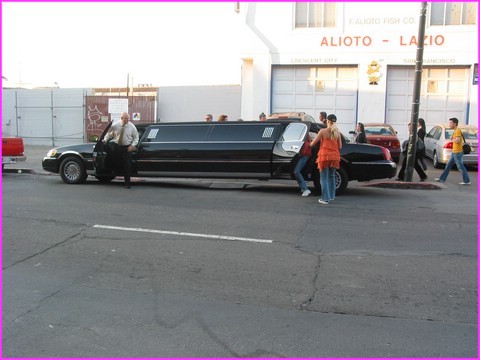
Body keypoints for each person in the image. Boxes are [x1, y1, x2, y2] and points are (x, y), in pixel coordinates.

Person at [310, 114, 342, 205]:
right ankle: (332, 196)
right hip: (335, 156)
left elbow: (313, 144)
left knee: (324, 177)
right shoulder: (337, 133)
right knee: (332, 176)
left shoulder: (322, 131)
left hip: (324, 156)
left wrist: (309, 142)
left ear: (327, 121)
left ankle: (325, 199)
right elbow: (340, 146)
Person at [104, 112, 139, 189]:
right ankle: (110, 176)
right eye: (126, 118)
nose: (127, 120)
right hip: (117, 147)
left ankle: (127, 183)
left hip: (127, 148)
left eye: (128, 118)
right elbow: (109, 134)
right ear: (121, 118)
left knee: (127, 165)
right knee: (115, 162)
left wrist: (133, 145)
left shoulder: (131, 126)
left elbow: (136, 137)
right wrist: (105, 140)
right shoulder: (116, 125)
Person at [435, 117, 471, 185]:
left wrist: (452, 139)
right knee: (448, 165)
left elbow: (457, 140)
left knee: (460, 167)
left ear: (455, 123)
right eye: (449, 123)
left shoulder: (457, 131)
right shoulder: (455, 130)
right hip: (454, 152)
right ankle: (442, 179)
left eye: (451, 123)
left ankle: (467, 181)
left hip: (457, 152)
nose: (450, 124)